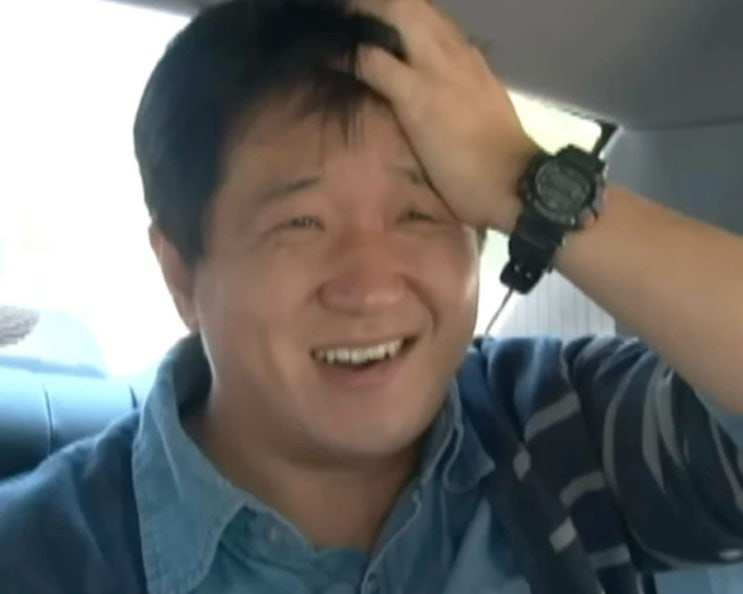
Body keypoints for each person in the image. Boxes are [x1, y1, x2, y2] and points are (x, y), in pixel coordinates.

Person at [1, 1, 742, 592]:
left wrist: (528, 182)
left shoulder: (560, 433)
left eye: (419, 212)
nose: (371, 287)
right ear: (182, 275)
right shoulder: (39, 555)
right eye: (300, 224)